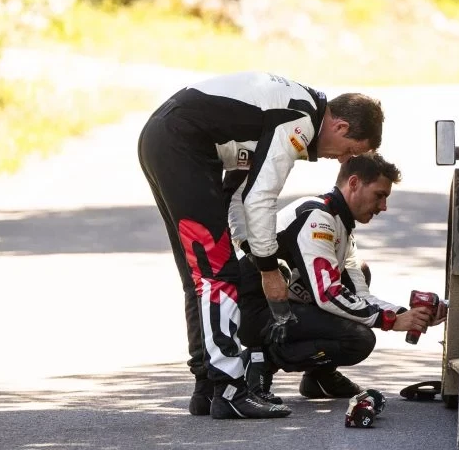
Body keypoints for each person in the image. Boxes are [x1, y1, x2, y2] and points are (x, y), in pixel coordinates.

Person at [137, 72, 384, 419]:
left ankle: (206, 388)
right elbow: (261, 196)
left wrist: (249, 248)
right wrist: (268, 269)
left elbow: (238, 193)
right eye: (351, 151)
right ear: (340, 127)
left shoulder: (289, 110)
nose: (344, 160)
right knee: (216, 276)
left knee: (202, 275)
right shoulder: (299, 121)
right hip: (180, 143)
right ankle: (230, 391)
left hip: (167, 138)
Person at [259, 152, 445, 400]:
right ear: (354, 183)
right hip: (256, 312)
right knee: (358, 339)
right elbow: (328, 295)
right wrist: (389, 321)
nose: (384, 207)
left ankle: (319, 378)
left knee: (359, 274)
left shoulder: (340, 224)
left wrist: (407, 316)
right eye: (379, 196)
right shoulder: (317, 218)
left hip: (286, 307)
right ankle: (260, 360)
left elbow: (360, 296)